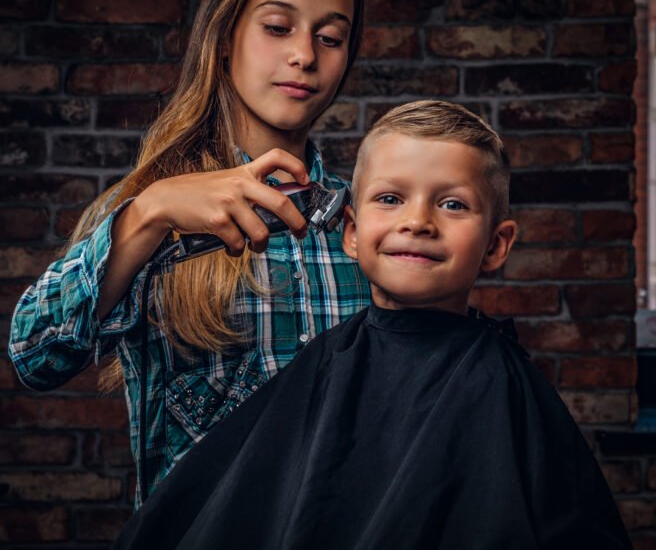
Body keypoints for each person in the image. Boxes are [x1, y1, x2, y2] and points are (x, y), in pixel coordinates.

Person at [110, 101, 633, 550]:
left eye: (452, 204)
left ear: (496, 246)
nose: (417, 221)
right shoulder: (323, 365)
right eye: (390, 198)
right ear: (353, 234)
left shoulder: (503, 388)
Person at [8, 0, 371, 507]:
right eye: (276, 27)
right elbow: (34, 357)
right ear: (224, 39)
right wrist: (148, 214)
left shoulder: (369, 223)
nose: (303, 54)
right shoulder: (148, 210)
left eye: (330, 37)